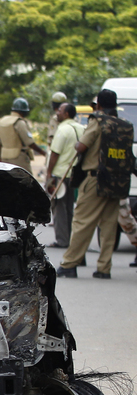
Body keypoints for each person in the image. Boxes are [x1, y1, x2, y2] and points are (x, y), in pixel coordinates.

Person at [57, 89, 131, 280]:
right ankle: (104, 268)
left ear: (98, 105)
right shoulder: (123, 125)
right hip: (117, 182)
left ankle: (70, 264)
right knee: (108, 226)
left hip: (96, 179)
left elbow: (81, 146)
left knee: (82, 221)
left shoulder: (97, 121)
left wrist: (78, 144)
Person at [44, 103, 84, 248]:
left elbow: (55, 153)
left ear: (66, 113)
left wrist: (49, 173)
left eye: (60, 111)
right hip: (75, 175)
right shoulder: (82, 128)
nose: (57, 113)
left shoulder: (63, 129)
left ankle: (62, 240)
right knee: (69, 208)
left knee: (59, 207)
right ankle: (70, 239)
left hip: (61, 174)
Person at [0, 97, 45, 175]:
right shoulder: (19, 123)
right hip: (18, 158)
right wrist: (43, 152)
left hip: (4, 158)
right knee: (27, 182)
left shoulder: (3, 121)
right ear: (23, 112)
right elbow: (29, 142)